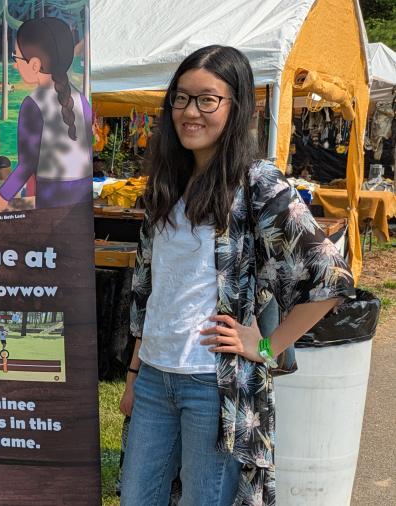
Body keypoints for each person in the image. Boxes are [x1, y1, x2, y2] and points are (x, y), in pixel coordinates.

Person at [118, 45, 354, 505]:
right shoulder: (167, 183)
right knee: (136, 498)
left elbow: (330, 277)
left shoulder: (257, 184)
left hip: (214, 385)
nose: (191, 111)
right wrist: (133, 375)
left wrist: (264, 345)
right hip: (153, 380)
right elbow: (148, 291)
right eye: (182, 98)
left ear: (237, 106)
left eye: (208, 100)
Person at [0, 17, 92, 211]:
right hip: (82, 197)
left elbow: (27, 164)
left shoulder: (32, 104)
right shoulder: (82, 100)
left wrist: (3, 196)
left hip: (53, 195)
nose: (15, 65)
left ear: (35, 65)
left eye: (16, 58)